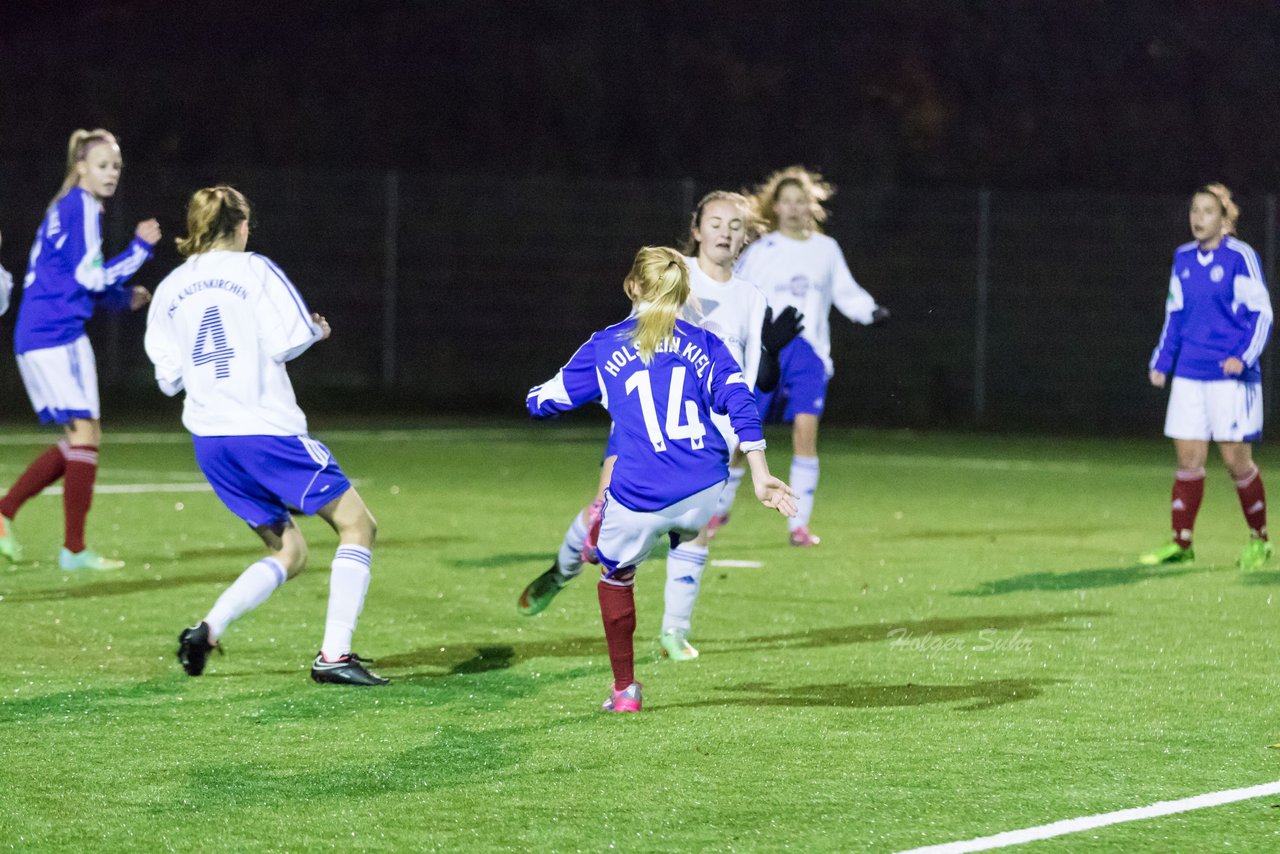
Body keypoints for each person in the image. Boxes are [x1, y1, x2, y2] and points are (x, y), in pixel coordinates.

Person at [517, 192, 802, 663]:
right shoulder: (673, 274)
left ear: (745, 237)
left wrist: (768, 362)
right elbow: (633, 345)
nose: (725, 232)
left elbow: (750, 373)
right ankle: (562, 571)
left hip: (710, 433)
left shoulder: (751, 297)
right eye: (716, 222)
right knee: (603, 512)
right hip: (643, 427)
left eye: (736, 225)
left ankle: (673, 631)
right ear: (696, 229)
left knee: (695, 533)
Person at [144, 186, 386, 686]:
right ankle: (334, 657)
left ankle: (207, 630)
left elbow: (168, 377)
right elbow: (290, 337)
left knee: (289, 552)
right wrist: (318, 331)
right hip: (264, 431)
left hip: (211, 441)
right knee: (358, 525)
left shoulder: (170, 287)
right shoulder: (254, 269)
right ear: (240, 225)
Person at [0, 129, 159, 570]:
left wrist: (118, 298)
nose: (111, 174)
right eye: (103, 165)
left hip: (39, 332)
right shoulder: (82, 207)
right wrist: (140, 250)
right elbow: (88, 279)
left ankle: (6, 512)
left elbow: (67, 280)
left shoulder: (64, 208)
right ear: (81, 167)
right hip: (56, 335)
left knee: (79, 438)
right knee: (86, 435)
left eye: (116, 167)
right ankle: (72, 549)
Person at [724, 165, 889, 547]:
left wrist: (870, 311)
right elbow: (737, 294)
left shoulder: (825, 249)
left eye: (801, 201)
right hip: (765, 353)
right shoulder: (762, 251)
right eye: (787, 202)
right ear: (775, 207)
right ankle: (719, 507)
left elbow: (845, 292)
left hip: (809, 354)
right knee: (739, 438)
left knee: (805, 434)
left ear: (811, 206)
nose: (795, 208)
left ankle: (798, 525)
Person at [1141, 183, 1273, 571]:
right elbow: (1175, 316)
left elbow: (1261, 314)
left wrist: (1243, 356)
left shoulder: (1240, 257)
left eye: (1207, 212)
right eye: (1194, 211)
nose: (1198, 219)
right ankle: (1181, 544)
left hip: (1231, 377)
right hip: (1190, 375)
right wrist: (1162, 361)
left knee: (1236, 461)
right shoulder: (1182, 259)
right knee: (1188, 460)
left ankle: (1259, 540)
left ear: (1223, 218)